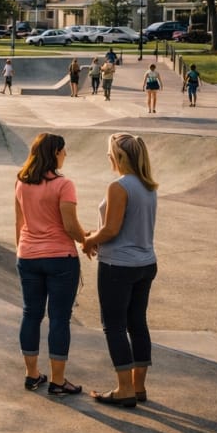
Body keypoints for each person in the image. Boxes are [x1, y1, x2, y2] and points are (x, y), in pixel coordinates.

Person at [83, 133, 159, 409]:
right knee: (137, 323)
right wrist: (97, 234)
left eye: (109, 153)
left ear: (119, 157)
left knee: (113, 325)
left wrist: (90, 240)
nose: (107, 157)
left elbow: (112, 230)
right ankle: (138, 386)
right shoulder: (149, 186)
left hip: (119, 266)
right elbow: (124, 226)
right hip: (146, 263)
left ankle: (124, 389)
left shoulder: (119, 186)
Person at [14, 133, 86, 396]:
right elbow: (69, 226)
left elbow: (19, 223)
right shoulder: (63, 185)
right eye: (64, 151)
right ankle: (57, 381)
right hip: (60, 259)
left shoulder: (21, 181)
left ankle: (32, 375)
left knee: (31, 314)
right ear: (55, 152)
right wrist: (87, 241)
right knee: (59, 319)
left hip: (28, 256)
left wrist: (22, 251)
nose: (65, 155)